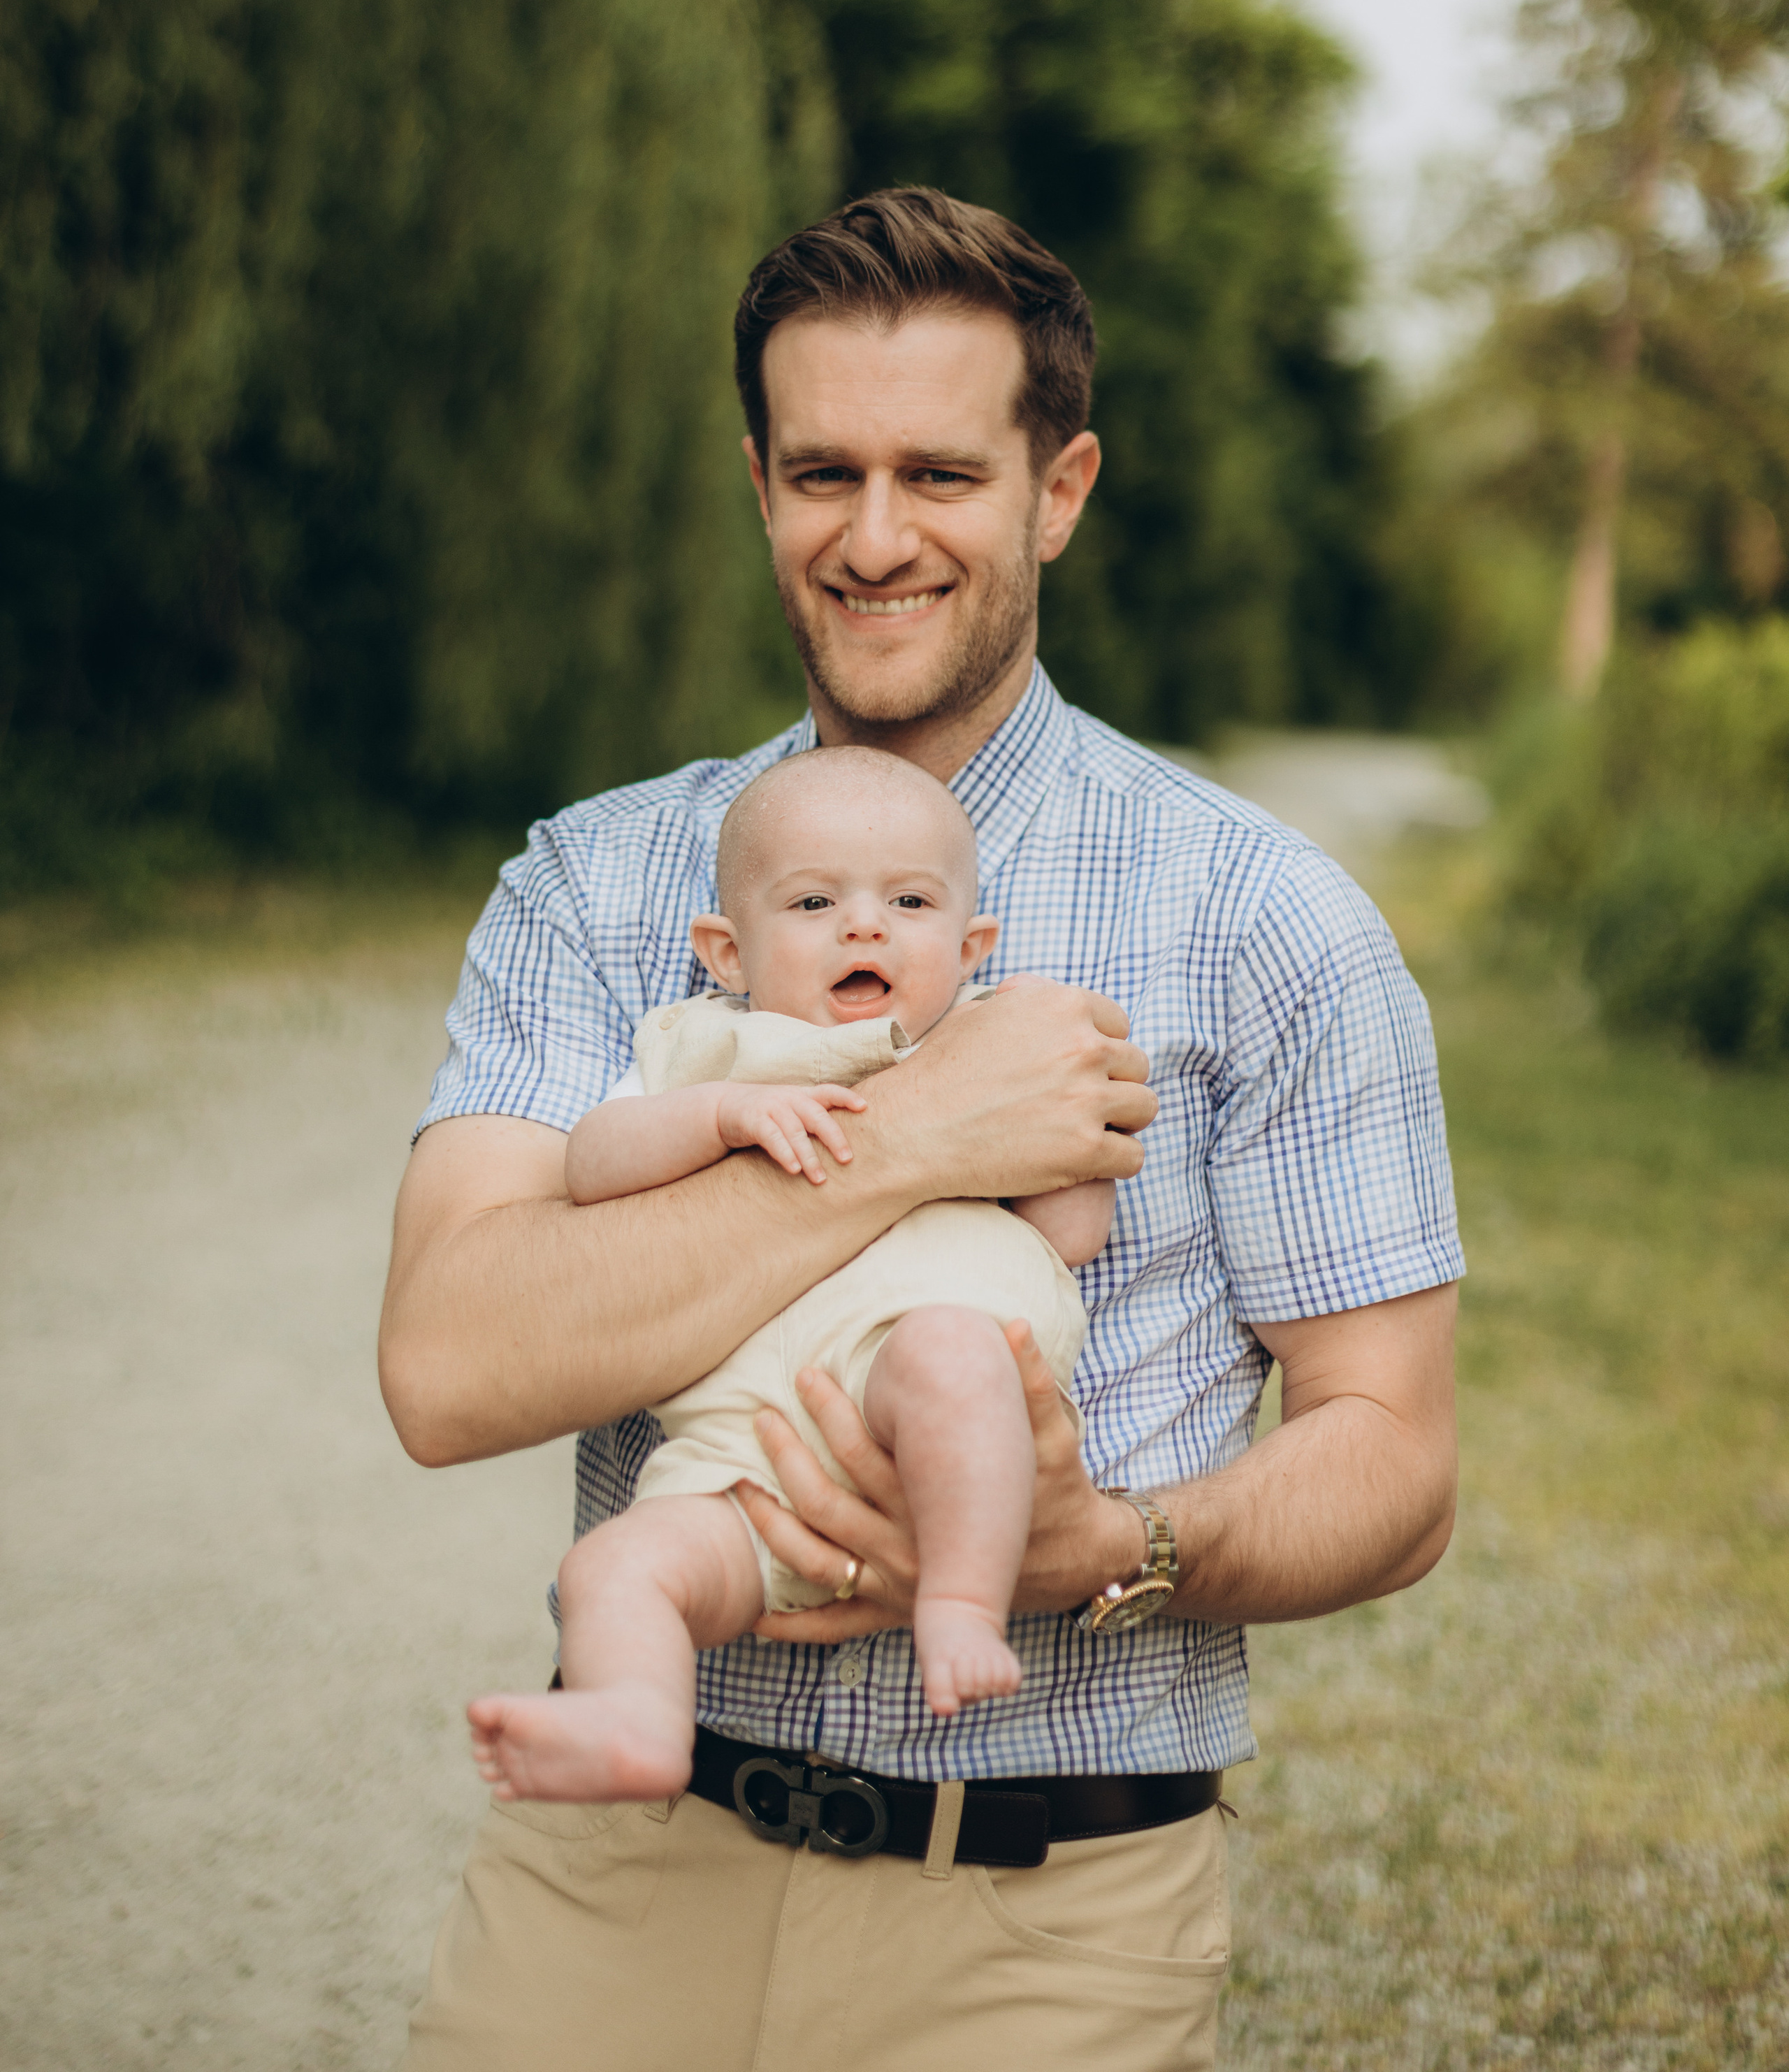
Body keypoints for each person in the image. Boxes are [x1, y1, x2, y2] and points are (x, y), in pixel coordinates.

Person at [381, 186, 1464, 2072]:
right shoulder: (602, 882)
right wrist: (911, 1134)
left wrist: (1102, 1547)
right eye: (822, 475)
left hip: (1048, 1923)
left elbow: (1394, 1458)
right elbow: (449, 1366)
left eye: (942, 475)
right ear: (760, 485)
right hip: (627, 1870)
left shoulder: (1267, 919)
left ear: (1059, 490)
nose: (874, 539)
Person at [468, 744, 1114, 1804]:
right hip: (738, 1455)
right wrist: (722, 1115)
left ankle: (958, 1604)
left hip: (915, 1379)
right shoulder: (707, 1052)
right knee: (612, 1568)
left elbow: (1072, 1231)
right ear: (728, 951)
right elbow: (592, 1164)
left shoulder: (990, 1051)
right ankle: (634, 1721)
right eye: (814, 902)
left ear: (971, 943)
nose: (865, 926)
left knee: (958, 1359)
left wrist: (1075, 1130)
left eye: (909, 901)